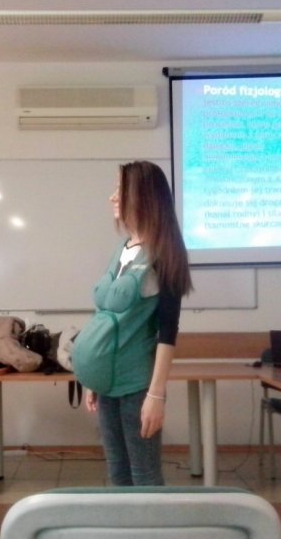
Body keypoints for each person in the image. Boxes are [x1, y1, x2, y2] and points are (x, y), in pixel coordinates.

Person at [73, 161, 193, 486]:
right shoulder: (123, 248)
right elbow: (105, 316)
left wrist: (156, 395)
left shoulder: (163, 254)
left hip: (136, 385)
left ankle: (150, 523)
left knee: (144, 475)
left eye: (120, 189)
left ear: (142, 196)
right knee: (117, 471)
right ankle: (124, 522)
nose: (113, 197)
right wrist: (95, 377)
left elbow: (167, 333)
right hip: (107, 382)